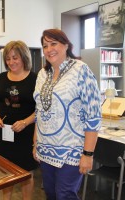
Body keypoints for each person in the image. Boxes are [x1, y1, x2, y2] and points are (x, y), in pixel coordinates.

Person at [32, 29, 102, 200]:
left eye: (53, 43)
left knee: (64, 195)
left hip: (71, 151)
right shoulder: (42, 74)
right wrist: (35, 143)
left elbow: (93, 115)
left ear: (66, 45)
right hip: (45, 149)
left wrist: (88, 154)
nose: (49, 49)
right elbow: (39, 111)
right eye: (45, 46)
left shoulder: (81, 70)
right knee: (50, 193)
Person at [0, 40, 38, 200]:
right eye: (8, 59)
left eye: (15, 58)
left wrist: (25, 122)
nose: (11, 62)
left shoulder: (35, 79)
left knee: (26, 173)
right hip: (4, 133)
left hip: (26, 133)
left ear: (24, 57)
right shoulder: (1, 78)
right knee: (6, 171)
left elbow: (42, 110)